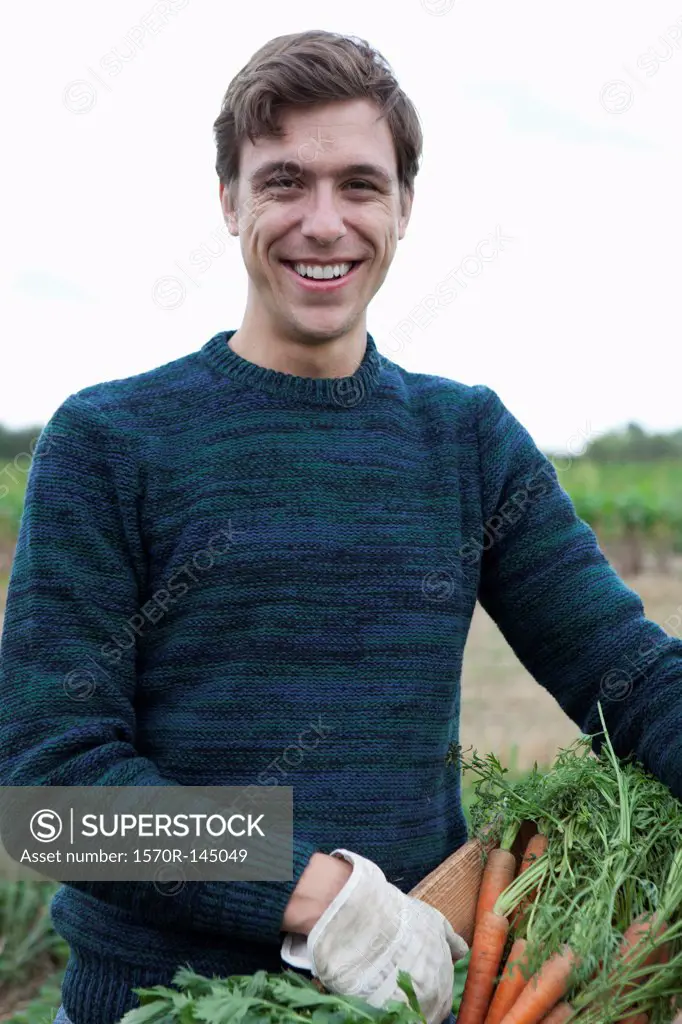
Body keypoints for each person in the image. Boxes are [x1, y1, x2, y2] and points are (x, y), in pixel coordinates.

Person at [1, 27, 681, 1024]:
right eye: (284, 182)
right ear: (228, 199)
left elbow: (624, 673)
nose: (324, 222)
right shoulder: (110, 440)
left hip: (403, 1009)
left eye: (360, 185)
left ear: (404, 204)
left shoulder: (465, 439)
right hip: (155, 1008)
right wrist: (323, 901)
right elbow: (57, 799)